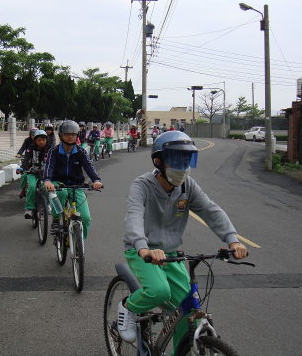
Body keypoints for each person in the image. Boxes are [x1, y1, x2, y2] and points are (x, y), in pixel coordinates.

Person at [116, 131, 248, 352]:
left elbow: (211, 211)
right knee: (159, 291)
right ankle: (127, 307)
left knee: (188, 311)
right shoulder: (142, 185)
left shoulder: (188, 186)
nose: (183, 166)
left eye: (187, 160)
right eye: (177, 159)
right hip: (142, 252)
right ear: (159, 161)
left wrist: (232, 240)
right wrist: (143, 247)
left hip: (172, 255)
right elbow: (134, 217)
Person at [44, 120, 103, 239]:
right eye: (67, 134)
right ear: (61, 135)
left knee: (85, 218)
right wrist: (47, 180)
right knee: (61, 193)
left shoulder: (81, 151)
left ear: (77, 136)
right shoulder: (53, 151)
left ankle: (79, 246)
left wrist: (96, 180)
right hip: (57, 183)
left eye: (73, 134)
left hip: (77, 185)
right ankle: (56, 219)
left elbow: (88, 166)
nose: (70, 137)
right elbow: (49, 166)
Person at [19, 130, 49, 219]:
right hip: (32, 172)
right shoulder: (31, 148)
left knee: (47, 188)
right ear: (35, 141)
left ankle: (46, 205)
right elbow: (26, 159)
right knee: (31, 187)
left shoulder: (49, 149)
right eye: (39, 140)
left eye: (44, 140)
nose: (41, 142)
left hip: (45, 174)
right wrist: (22, 168)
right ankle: (29, 209)